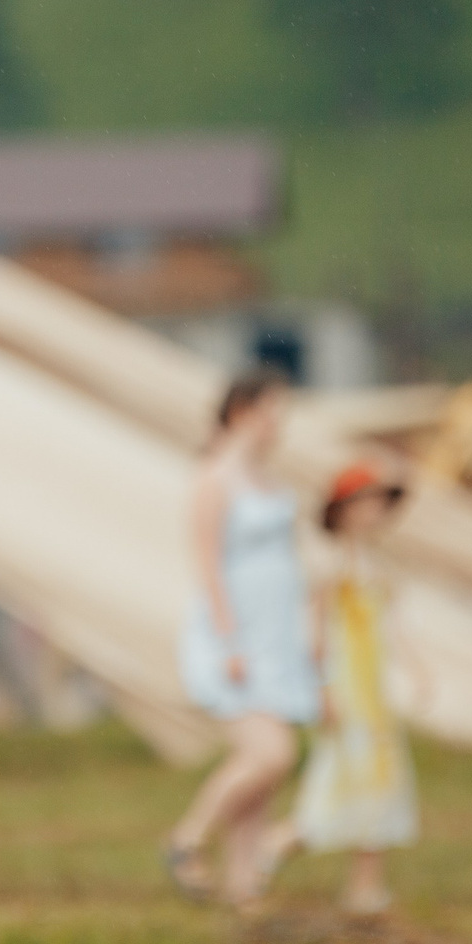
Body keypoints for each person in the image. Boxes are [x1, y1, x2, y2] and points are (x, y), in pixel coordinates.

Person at [167, 369, 319, 909]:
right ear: (242, 413)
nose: (277, 425)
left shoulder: (270, 482)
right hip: (237, 638)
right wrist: (229, 642)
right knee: (271, 754)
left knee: (267, 782)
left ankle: (245, 888)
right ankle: (188, 837)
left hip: (277, 637)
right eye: (269, 412)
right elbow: (207, 562)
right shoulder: (216, 478)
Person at [277, 463, 417, 916]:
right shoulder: (328, 564)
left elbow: (392, 627)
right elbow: (315, 631)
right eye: (367, 501)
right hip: (346, 687)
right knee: (337, 778)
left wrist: (417, 667)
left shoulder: (378, 566)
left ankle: (366, 887)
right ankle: (274, 846)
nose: (376, 512)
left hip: (373, 693)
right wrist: (321, 687)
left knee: (380, 781)